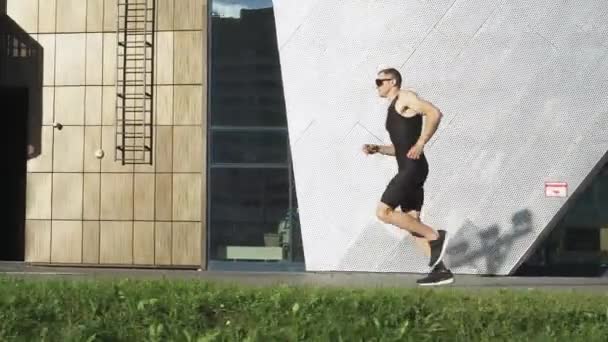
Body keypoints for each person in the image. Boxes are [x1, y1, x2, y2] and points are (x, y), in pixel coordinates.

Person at [362, 68, 454, 286]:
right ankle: (441, 271)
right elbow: (401, 148)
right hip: (411, 166)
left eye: (379, 81)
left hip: (412, 169)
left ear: (392, 81)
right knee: (412, 223)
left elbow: (434, 113)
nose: (377, 86)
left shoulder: (405, 97)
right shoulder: (394, 108)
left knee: (384, 212)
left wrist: (422, 143)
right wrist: (379, 149)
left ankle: (436, 237)